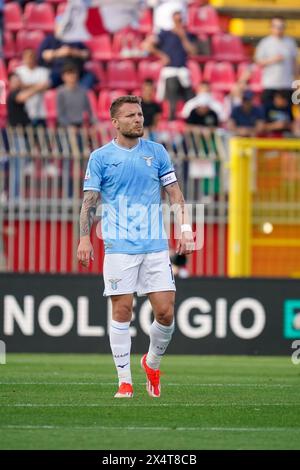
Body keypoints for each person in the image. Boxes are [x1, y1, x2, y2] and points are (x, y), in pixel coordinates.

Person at [77, 95, 194, 398]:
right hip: (118, 246)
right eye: (130, 115)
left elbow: (175, 194)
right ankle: (124, 381)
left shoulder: (157, 152)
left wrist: (184, 228)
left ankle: (151, 362)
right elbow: (90, 202)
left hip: (155, 245)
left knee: (166, 312)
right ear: (115, 122)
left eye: (140, 114)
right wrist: (84, 237)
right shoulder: (101, 157)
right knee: (122, 309)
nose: (138, 120)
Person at [143, 10, 197, 120]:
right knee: (172, 87)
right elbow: (147, 45)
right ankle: (171, 116)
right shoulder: (165, 34)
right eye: (177, 20)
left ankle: (189, 119)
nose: (179, 22)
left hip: (183, 71)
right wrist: (161, 55)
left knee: (189, 96)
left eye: (180, 20)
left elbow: (193, 51)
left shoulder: (188, 35)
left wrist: (183, 37)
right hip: (170, 71)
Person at [38, 18, 96, 89]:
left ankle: (77, 96)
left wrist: (72, 52)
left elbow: (86, 54)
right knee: (47, 81)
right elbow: (43, 55)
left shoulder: (75, 39)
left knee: (90, 77)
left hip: (77, 72)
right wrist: (59, 52)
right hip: (58, 72)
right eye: (61, 26)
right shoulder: (50, 39)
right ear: (56, 27)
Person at [255, 16, 298, 107]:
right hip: (270, 83)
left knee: (287, 114)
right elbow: (258, 62)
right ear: (271, 27)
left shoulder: (290, 42)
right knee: (268, 112)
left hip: (286, 84)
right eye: (277, 26)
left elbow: (294, 63)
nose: (279, 29)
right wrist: (273, 60)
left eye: (282, 27)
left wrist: (297, 81)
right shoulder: (265, 43)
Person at [15, 49, 50, 127]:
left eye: (31, 57)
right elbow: (19, 86)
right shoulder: (18, 71)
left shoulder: (43, 71)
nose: (29, 59)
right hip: (24, 112)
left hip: (40, 112)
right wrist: (38, 86)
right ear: (23, 58)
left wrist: (27, 86)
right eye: (27, 57)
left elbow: (46, 86)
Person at [57, 63, 96, 127]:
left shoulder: (83, 91)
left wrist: (93, 124)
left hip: (81, 125)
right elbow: (61, 115)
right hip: (66, 127)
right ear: (63, 76)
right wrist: (69, 126)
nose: (72, 76)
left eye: (73, 73)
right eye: (69, 74)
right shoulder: (60, 92)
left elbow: (90, 112)